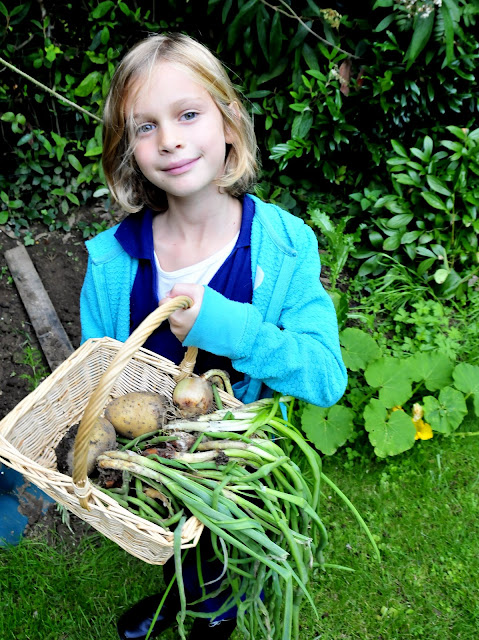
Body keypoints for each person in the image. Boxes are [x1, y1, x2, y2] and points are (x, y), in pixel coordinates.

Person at [80, 32, 347, 640]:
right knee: (180, 539)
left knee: (232, 537)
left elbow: (326, 377)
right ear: (128, 150)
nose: (169, 140)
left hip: (239, 461)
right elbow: (96, 377)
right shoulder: (111, 262)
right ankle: (184, 596)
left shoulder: (284, 246)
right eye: (145, 126)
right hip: (159, 462)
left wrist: (231, 328)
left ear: (228, 123)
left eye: (188, 115)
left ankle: (220, 607)